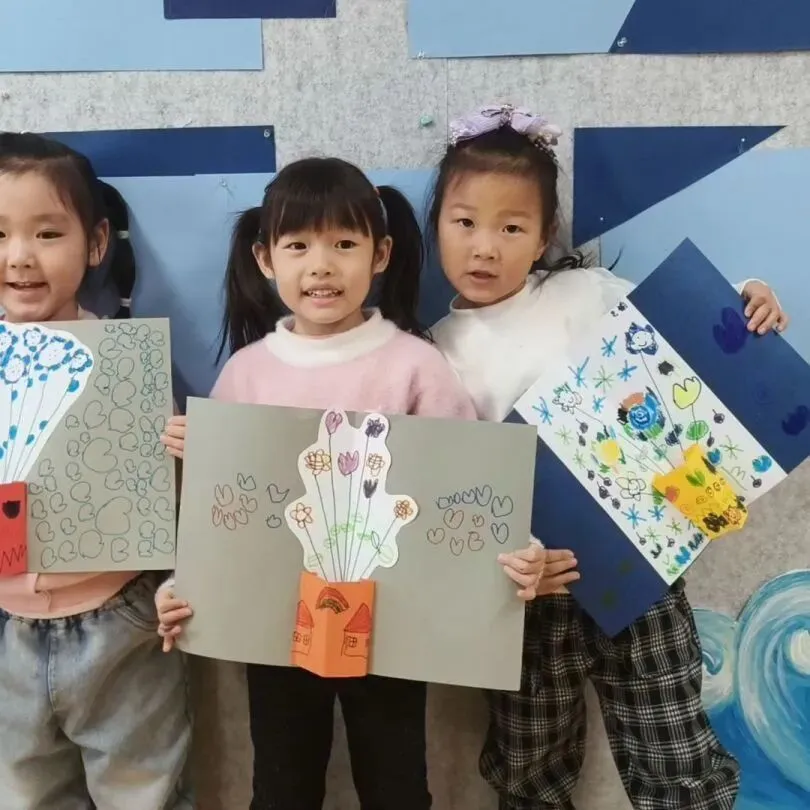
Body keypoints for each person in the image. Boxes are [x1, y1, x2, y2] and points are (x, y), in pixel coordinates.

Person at [156, 155, 547, 810]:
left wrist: (518, 551)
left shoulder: (416, 365)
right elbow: (219, 516)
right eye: (298, 246)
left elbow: (470, 486)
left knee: (396, 786)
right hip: (275, 627)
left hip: (393, 621)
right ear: (264, 259)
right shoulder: (246, 374)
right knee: (281, 787)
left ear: (380, 253)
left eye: (344, 244)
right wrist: (184, 586)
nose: (321, 266)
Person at [427, 105, 789, 810]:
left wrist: (751, 299)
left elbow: (690, 333)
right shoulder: (434, 352)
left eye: (511, 228)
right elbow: (456, 488)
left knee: (675, 750)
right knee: (530, 766)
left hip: (639, 568)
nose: (484, 247)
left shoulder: (584, 292)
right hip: (529, 593)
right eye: (464, 222)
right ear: (436, 223)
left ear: (543, 238)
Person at [0, 132, 192, 810]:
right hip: (8, 625)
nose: (19, 256)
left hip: (122, 618)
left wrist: (188, 455)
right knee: (23, 794)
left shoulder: (131, 363)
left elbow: (179, 504)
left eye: (48, 233)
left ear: (97, 243)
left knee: (143, 792)